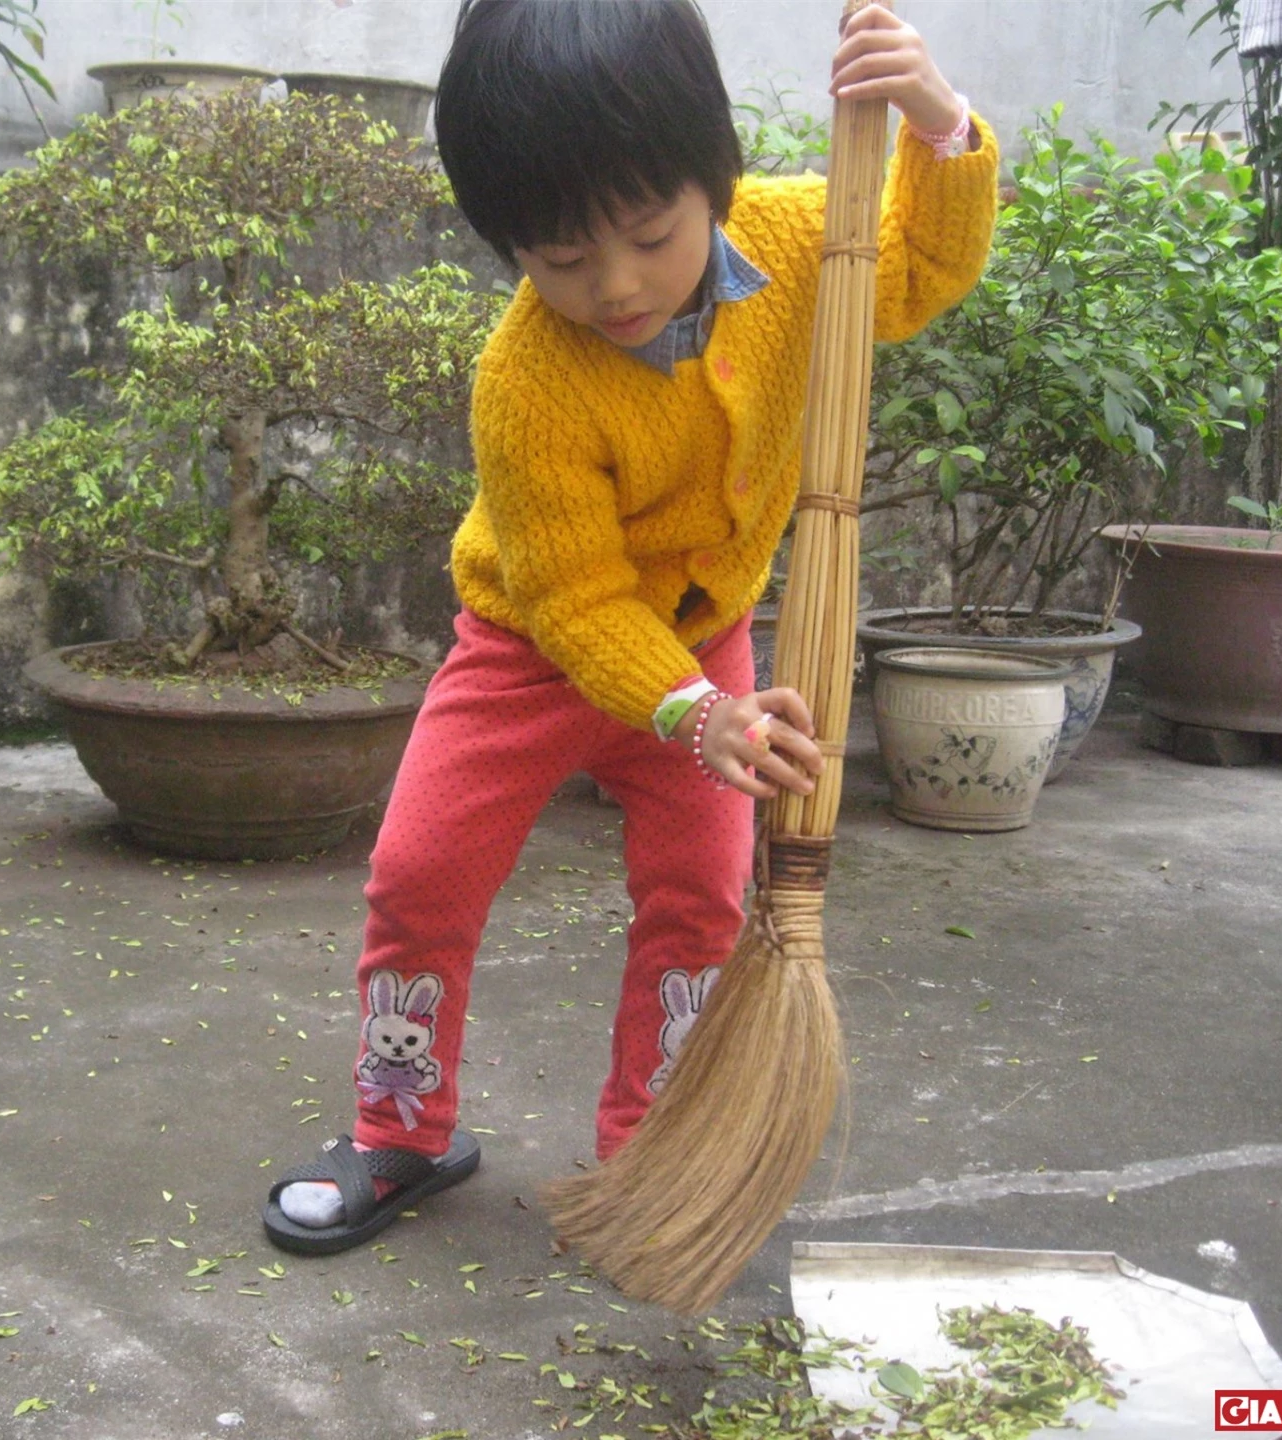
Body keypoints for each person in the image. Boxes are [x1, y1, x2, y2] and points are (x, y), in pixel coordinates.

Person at [263, 0, 998, 1255]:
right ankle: (402, 1125)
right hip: (534, 649)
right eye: (558, 259)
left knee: (700, 896)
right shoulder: (528, 379)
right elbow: (579, 600)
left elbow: (920, 270)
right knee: (419, 872)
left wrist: (941, 126)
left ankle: (650, 1147)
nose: (613, 286)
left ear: (709, 179)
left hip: (708, 634)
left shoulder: (798, 243)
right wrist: (692, 713)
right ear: (510, 251)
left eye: (651, 237)